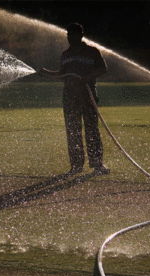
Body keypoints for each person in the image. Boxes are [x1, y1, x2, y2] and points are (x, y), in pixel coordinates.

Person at [39, 23, 110, 175]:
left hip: (88, 95)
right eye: (68, 35)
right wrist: (46, 73)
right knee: (73, 131)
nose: (70, 38)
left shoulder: (92, 51)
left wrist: (88, 78)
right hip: (70, 97)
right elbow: (62, 75)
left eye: (73, 35)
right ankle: (76, 165)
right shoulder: (65, 54)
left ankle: (97, 164)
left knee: (92, 130)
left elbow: (103, 69)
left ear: (81, 35)